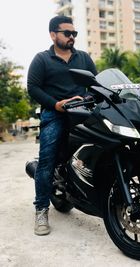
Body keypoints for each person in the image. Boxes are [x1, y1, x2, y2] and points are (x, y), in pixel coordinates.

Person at [27, 15, 97, 236]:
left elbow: (96, 84)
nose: (72, 37)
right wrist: (56, 105)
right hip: (55, 114)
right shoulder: (42, 59)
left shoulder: (83, 58)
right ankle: (41, 210)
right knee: (47, 160)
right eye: (67, 33)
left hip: (83, 113)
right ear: (53, 34)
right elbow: (33, 88)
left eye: (74, 33)